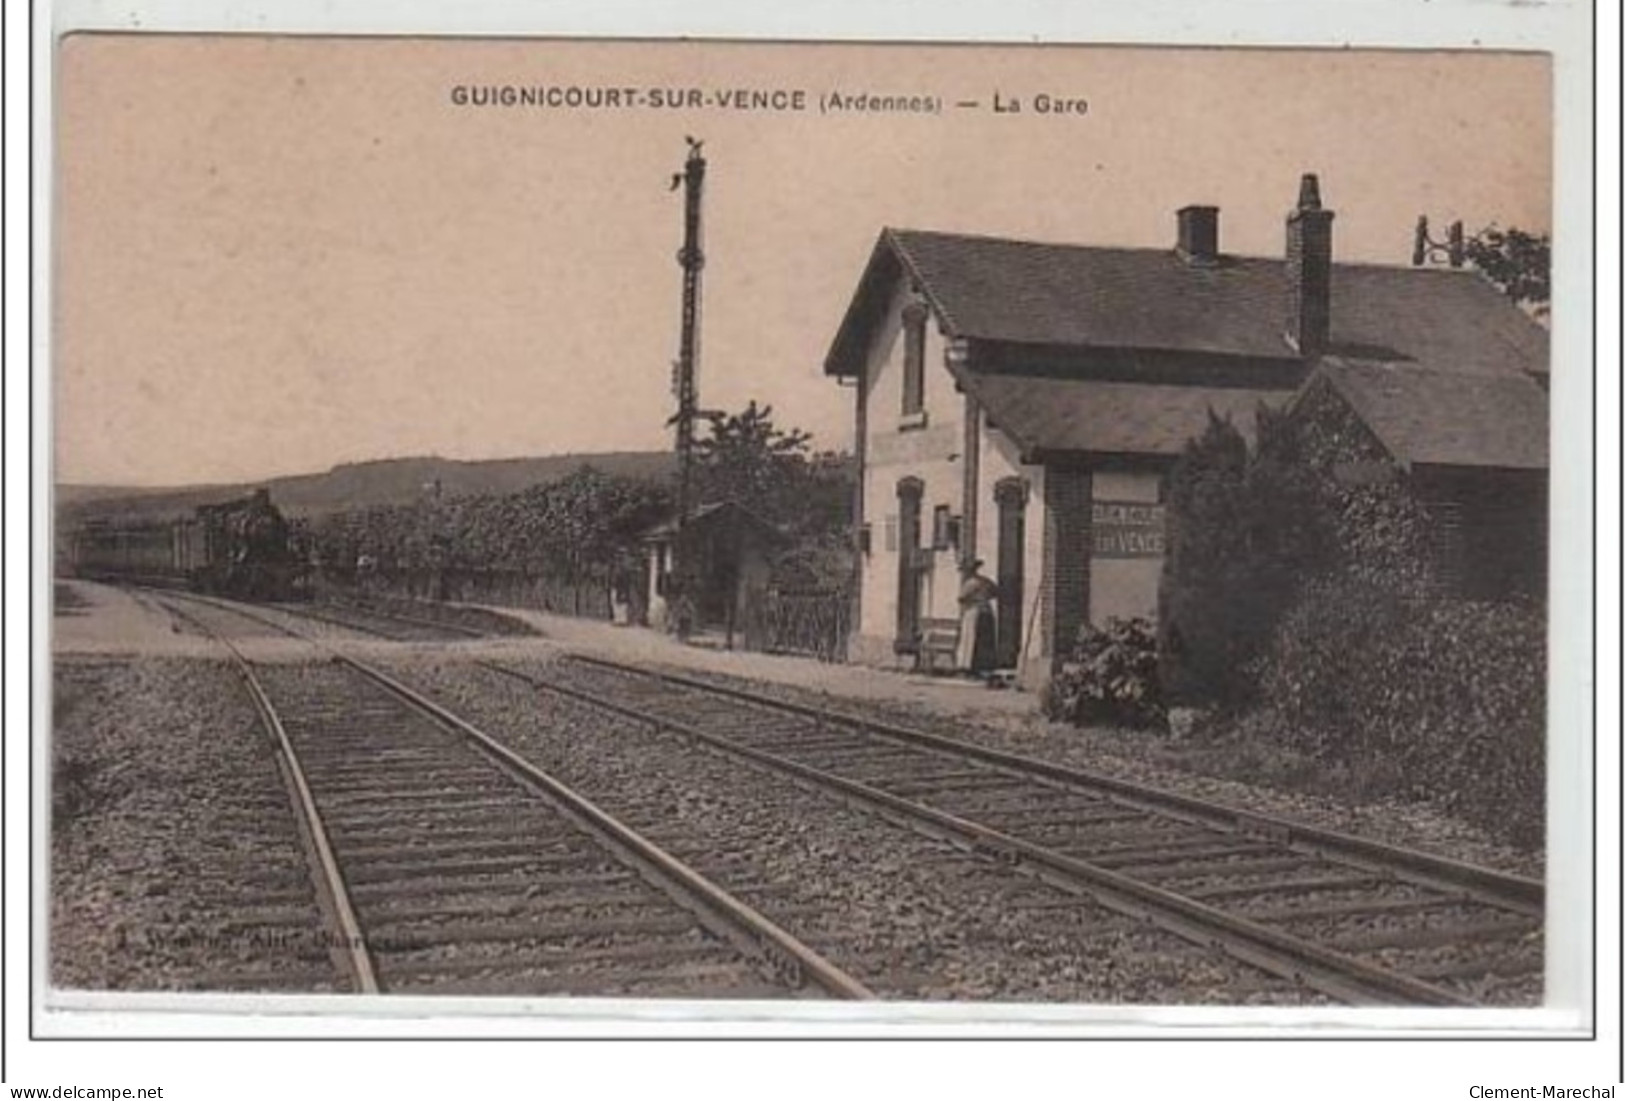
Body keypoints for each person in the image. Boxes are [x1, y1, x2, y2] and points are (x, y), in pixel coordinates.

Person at [955, 559, 999, 677]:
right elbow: (995, 592)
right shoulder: (985, 581)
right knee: (984, 640)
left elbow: (961, 598)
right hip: (986, 612)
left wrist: (973, 600)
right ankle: (984, 665)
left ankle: (970, 666)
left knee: (972, 639)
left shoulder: (970, 583)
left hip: (974, 612)